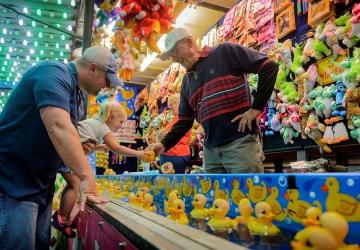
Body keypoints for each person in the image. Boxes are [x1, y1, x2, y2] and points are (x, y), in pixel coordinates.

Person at [0, 45, 121, 249]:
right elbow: (58, 126)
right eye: (106, 79)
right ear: (92, 69)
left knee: (40, 243)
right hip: (14, 183)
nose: (107, 86)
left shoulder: (77, 95)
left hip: (38, 185)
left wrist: (80, 147)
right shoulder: (52, 72)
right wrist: (86, 176)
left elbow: (59, 138)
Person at [150, 27, 279, 173]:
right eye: (171, 56)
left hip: (240, 143)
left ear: (189, 42)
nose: (174, 58)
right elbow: (184, 121)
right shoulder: (187, 82)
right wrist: (163, 144)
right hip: (210, 151)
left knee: (246, 193)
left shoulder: (224, 52)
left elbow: (269, 66)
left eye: (175, 51)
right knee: (214, 195)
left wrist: (256, 108)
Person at [53, 101, 147, 237]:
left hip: (64, 152)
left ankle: (62, 215)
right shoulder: (104, 127)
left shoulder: (95, 122)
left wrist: (100, 147)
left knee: (74, 183)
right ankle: (63, 219)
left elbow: (83, 141)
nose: (121, 126)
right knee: (75, 185)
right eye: (121, 121)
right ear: (112, 116)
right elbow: (117, 148)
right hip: (68, 154)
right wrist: (139, 154)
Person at [158, 93, 191, 173]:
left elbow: (166, 135)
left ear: (180, 103)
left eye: (172, 103)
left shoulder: (180, 118)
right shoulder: (178, 118)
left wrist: (160, 134)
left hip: (175, 155)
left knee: (172, 182)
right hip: (175, 154)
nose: (170, 107)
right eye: (169, 104)